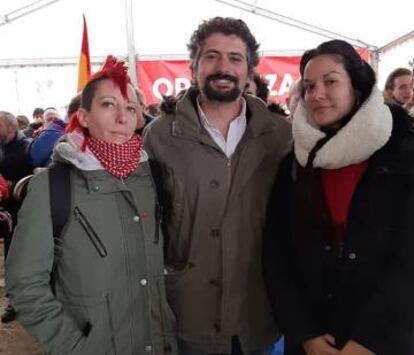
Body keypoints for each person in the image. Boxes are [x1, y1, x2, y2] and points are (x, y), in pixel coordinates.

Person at [6, 55, 177, 355]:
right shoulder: (53, 187)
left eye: (131, 107)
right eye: (109, 104)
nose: (122, 117)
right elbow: (25, 284)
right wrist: (74, 346)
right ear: (83, 117)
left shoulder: (152, 177)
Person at [144, 17, 292, 355]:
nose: (223, 67)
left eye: (235, 58)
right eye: (211, 56)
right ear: (193, 66)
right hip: (186, 316)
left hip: (259, 315)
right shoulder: (161, 135)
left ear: (250, 70)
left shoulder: (280, 135)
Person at [263, 39, 414, 355]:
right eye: (309, 86)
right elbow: (278, 254)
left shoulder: (402, 152)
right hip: (315, 341)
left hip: (387, 338)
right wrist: (307, 335)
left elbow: (407, 257)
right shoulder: (295, 162)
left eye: (330, 81)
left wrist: (371, 339)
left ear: (357, 87)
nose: (317, 94)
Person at [0, 111, 32, 323]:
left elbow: (39, 176)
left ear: (11, 127)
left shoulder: (29, 147)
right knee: (11, 258)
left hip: (29, 214)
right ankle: (14, 302)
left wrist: (16, 184)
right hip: (7, 216)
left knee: (32, 260)